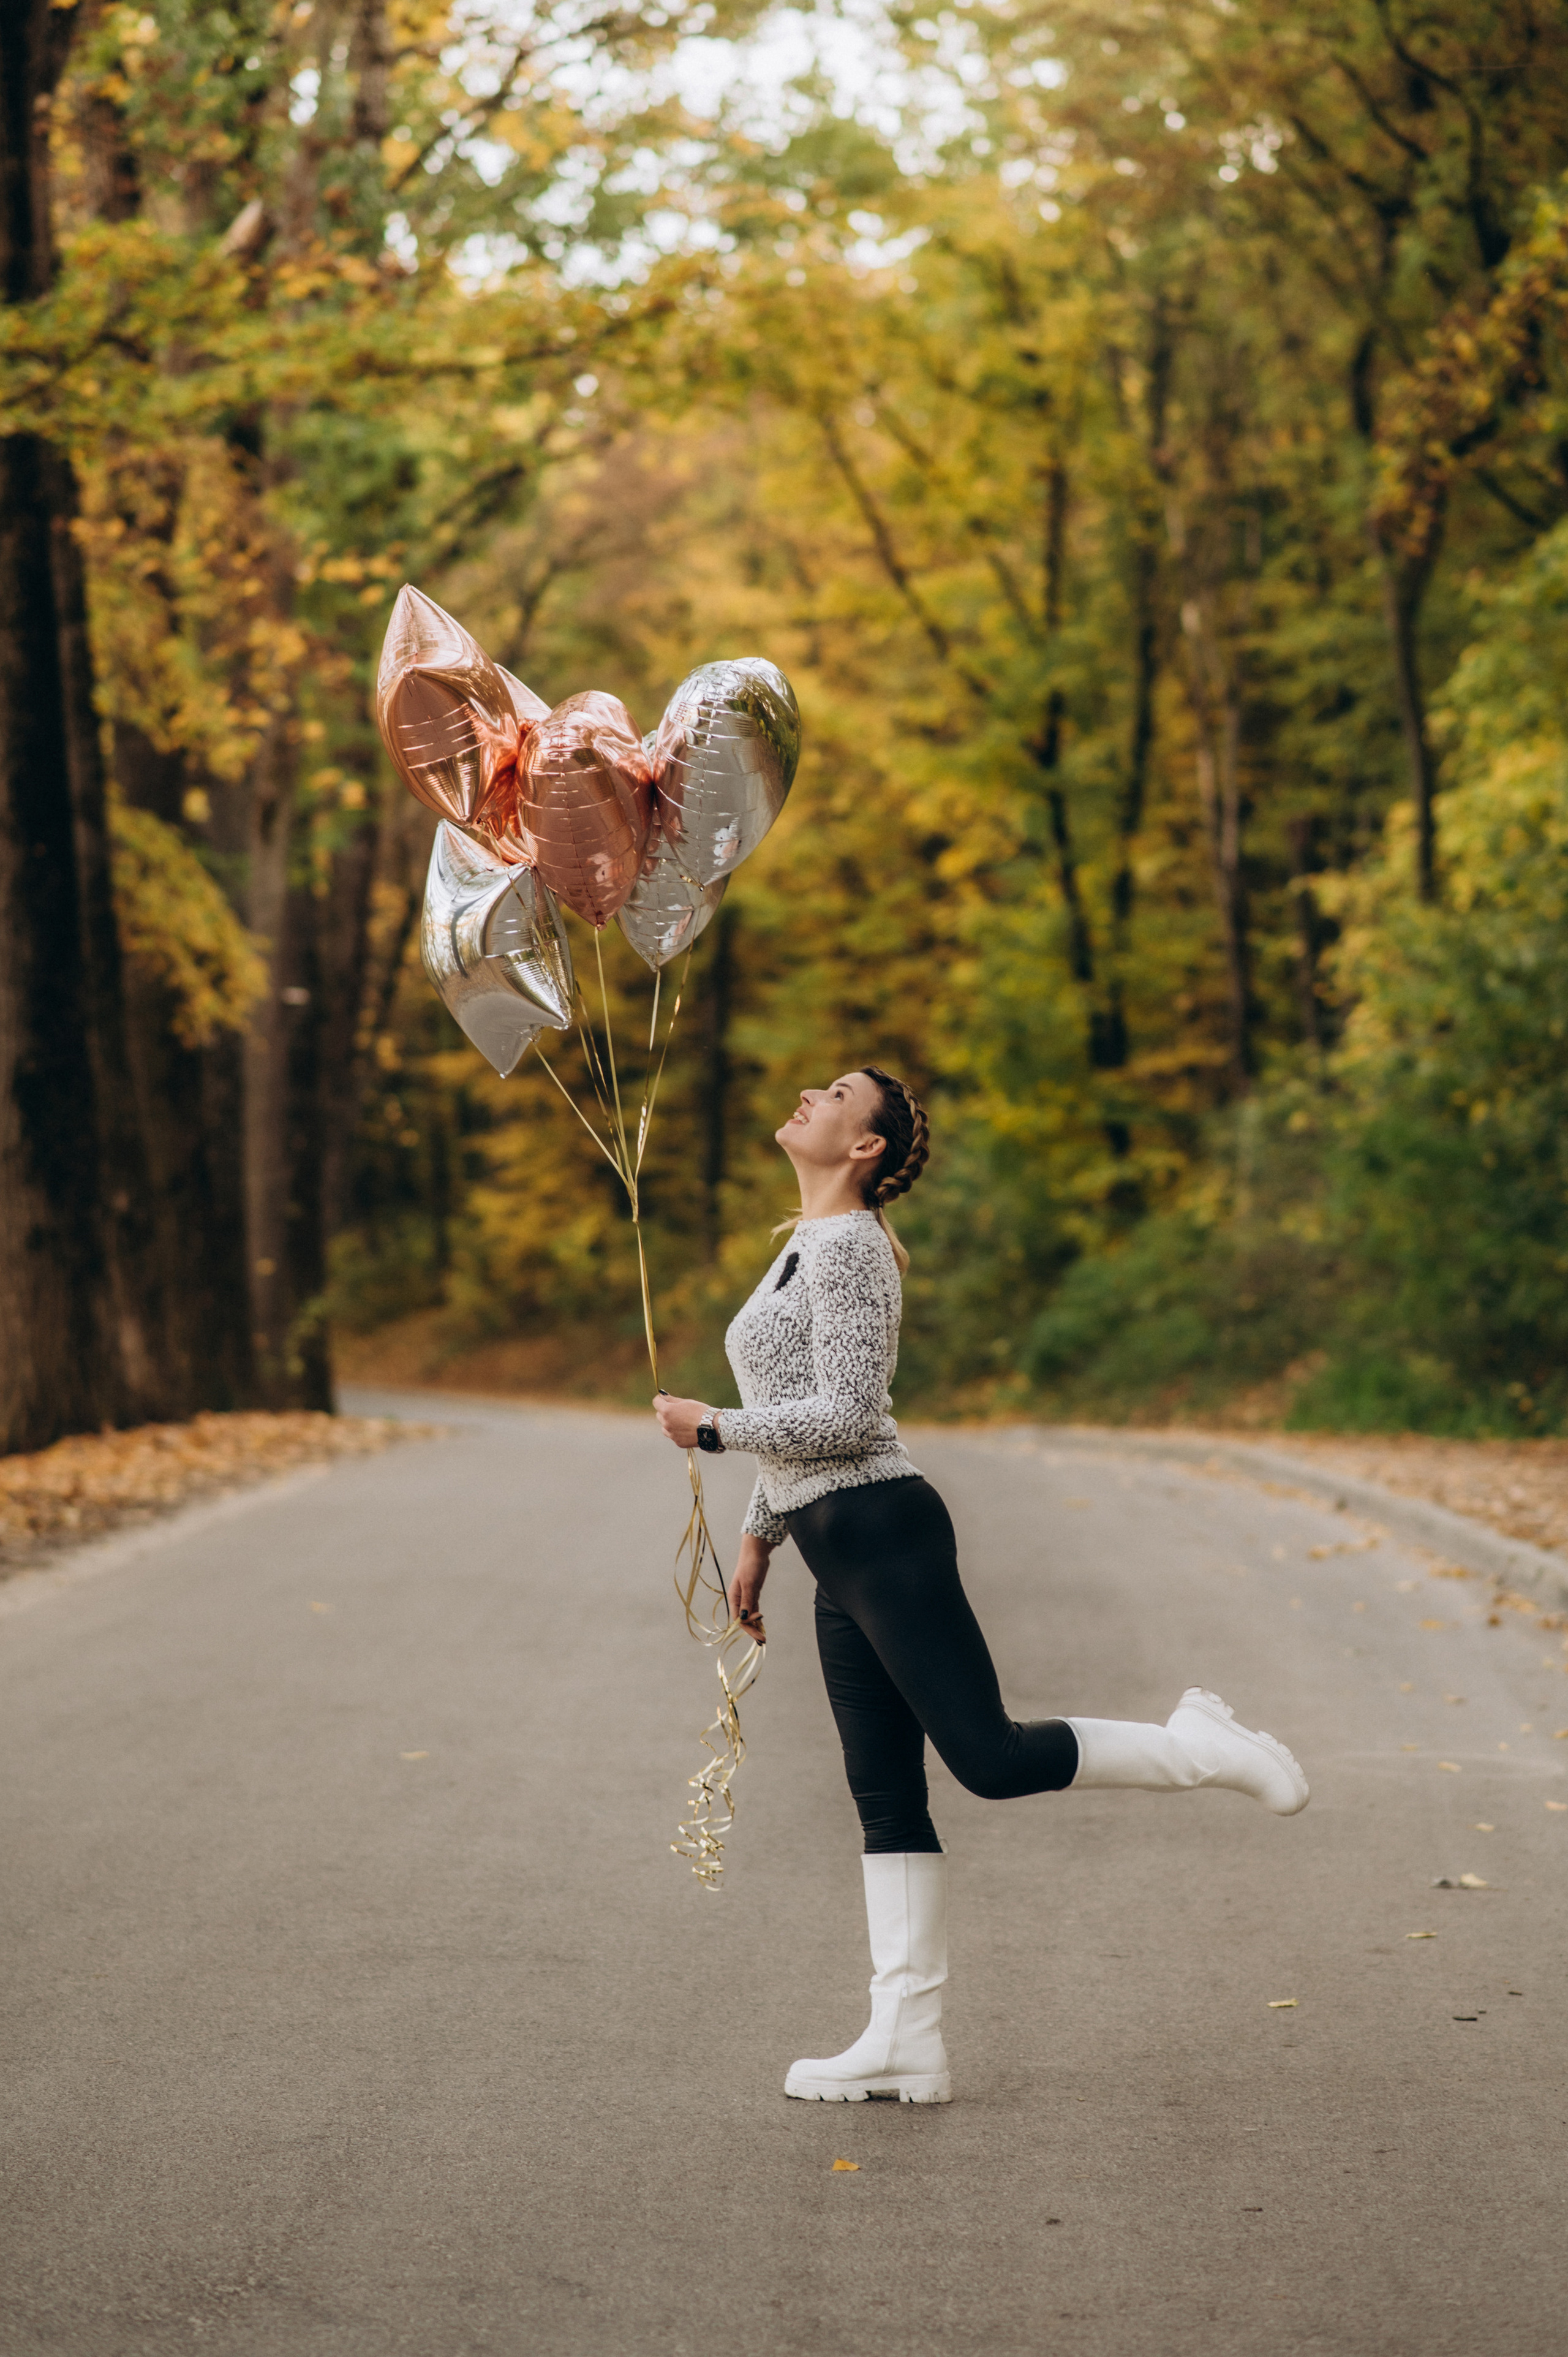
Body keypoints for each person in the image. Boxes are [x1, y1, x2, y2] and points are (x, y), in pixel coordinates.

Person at [652, 1067, 1309, 2106]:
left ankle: (1202, 1747)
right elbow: (795, 1404)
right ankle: (904, 2039)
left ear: (864, 1146)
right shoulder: (803, 1243)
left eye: (831, 1095)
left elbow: (853, 1417)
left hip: (884, 1531)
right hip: (836, 1546)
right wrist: (759, 1535)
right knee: (884, 1798)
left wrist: (717, 1432)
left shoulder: (852, 1248)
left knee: (990, 1761)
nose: (805, 1097)